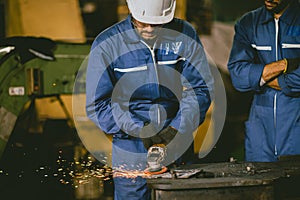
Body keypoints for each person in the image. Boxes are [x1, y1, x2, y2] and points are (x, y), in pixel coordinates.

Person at [86, 0, 213, 199]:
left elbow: (200, 88)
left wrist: (178, 127)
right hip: (130, 145)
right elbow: (97, 105)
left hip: (176, 136)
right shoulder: (107, 44)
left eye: (157, 23)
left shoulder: (185, 34)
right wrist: (138, 128)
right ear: (131, 9)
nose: (149, 28)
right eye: (142, 22)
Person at [228, 0, 300, 162]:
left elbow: (248, 75)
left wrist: (258, 76)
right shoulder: (249, 23)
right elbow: (238, 76)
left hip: (295, 124)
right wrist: (283, 65)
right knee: (259, 182)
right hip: (259, 132)